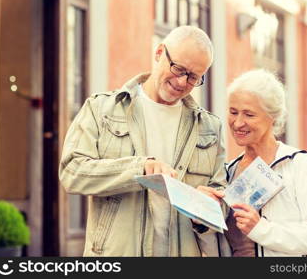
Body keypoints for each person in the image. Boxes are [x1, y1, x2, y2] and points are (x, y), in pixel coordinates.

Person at [59, 26, 227, 257]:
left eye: (193, 77)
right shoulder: (102, 108)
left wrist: (207, 210)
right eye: (178, 68)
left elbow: (221, 199)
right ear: (159, 53)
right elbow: (71, 172)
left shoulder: (210, 128)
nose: (181, 82)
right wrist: (139, 169)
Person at [221, 69, 307, 257]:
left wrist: (261, 229)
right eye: (233, 112)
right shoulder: (227, 172)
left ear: (272, 117)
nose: (237, 123)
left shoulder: (298, 165)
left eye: (249, 115)